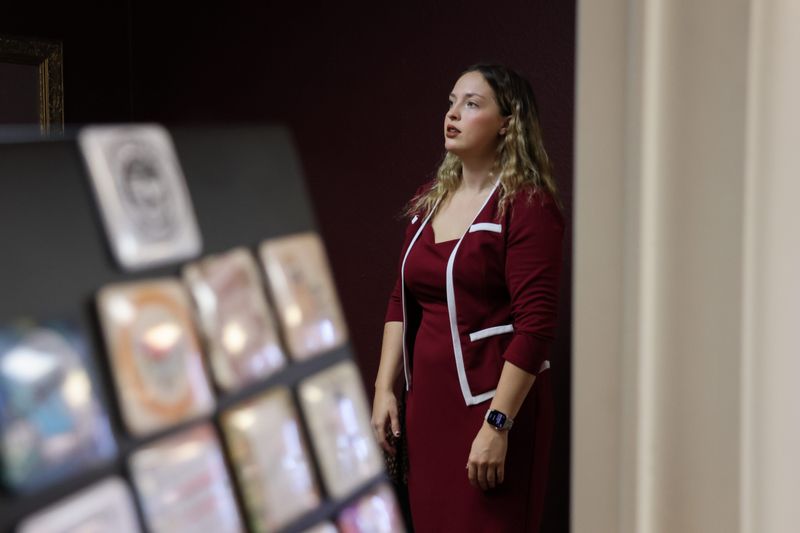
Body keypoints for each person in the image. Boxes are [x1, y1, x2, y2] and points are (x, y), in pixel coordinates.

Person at [371, 63, 565, 533]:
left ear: (508, 121)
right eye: (452, 102)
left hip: (492, 410)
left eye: (472, 104)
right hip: (427, 411)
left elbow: (535, 327)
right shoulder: (430, 199)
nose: (453, 114)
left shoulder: (527, 205)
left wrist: (498, 425)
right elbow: (401, 298)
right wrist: (383, 389)